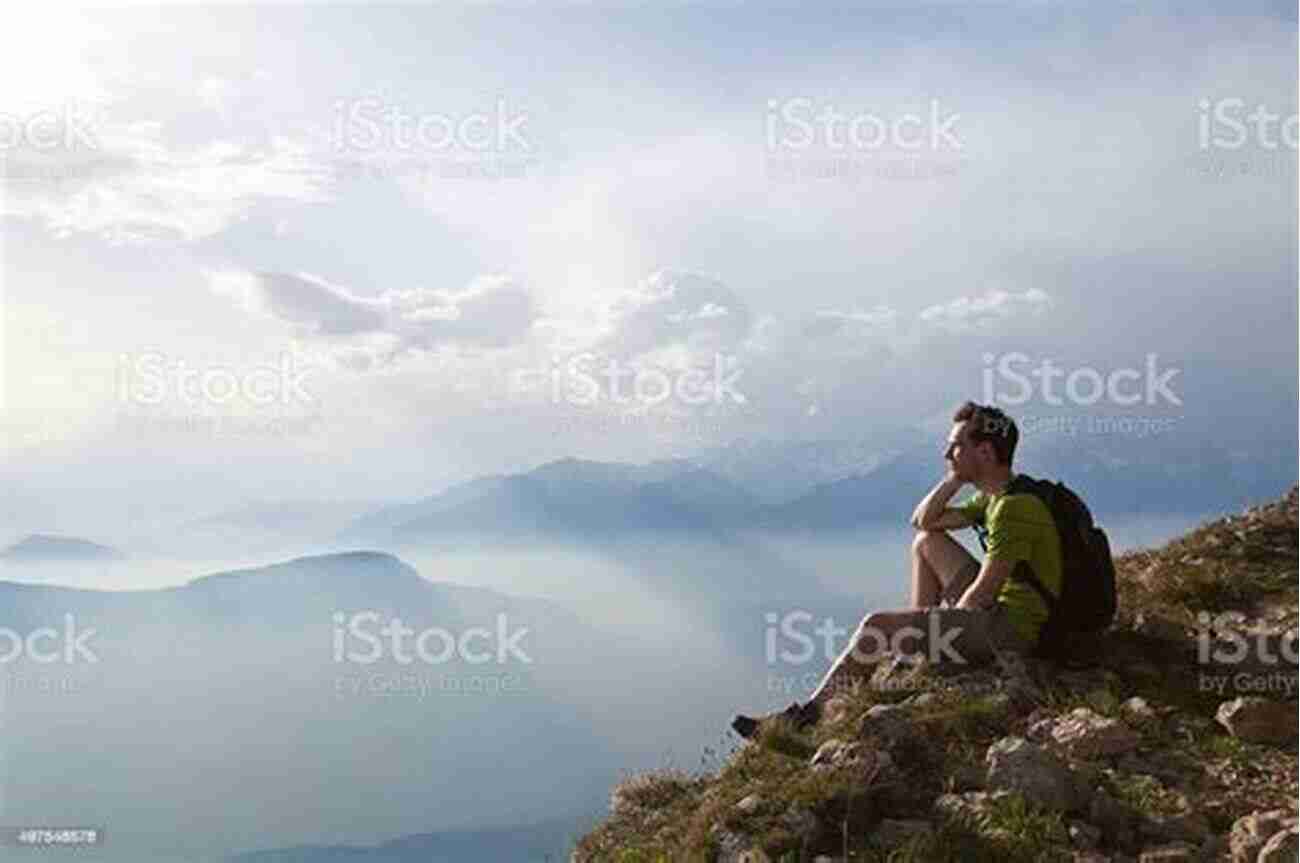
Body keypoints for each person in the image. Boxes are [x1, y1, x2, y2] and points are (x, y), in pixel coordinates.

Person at [731, 401, 1063, 739]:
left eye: (956, 446)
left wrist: (937, 636)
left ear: (986, 452)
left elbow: (984, 592)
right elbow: (924, 521)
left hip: (1014, 629)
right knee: (926, 542)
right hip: (1001, 608)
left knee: (878, 625)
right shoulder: (994, 498)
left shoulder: (1015, 508)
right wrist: (954, 480)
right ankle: (911, 645)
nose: (947, 453)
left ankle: (805, 722)